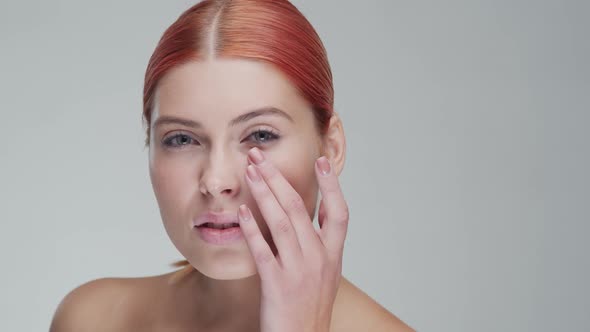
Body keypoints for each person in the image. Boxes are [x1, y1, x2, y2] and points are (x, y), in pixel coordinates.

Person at [49, 0, 415, 331]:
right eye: (181, 139)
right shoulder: (93, 319)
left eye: (260, 135)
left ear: (330, 147)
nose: (216, 180)